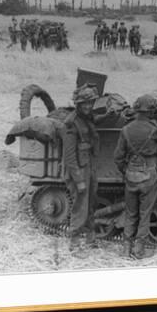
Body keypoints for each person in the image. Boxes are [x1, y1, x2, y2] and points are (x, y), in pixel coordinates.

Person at [114, 94, 157, 259]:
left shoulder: (126, 130)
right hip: (149, 176)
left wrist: (127, 171)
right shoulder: (155, 129)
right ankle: (138, 250)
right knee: (145, 214)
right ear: (151, 111)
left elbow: (117, 157)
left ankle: (125, 248)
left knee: (131, 213)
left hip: (130, 175)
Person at [63, 85, 100, 253]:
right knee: (80, 206)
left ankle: (91, 239)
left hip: (89, 166)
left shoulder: (87, 117)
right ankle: (75, 243)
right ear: (78, 104)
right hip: (78, 170)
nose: (88, 106)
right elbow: (69, 157)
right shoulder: (71, 123)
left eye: (90, 102)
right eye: (85, 103)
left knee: (91, 203)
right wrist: (78, 180)